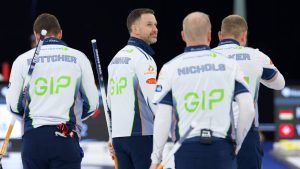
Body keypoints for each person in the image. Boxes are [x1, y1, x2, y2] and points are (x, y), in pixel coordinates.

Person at [149, 11, 255, 169]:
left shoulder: (170, 68)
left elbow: (162, 117)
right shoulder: (230, 65)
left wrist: (156, 158)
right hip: (222, 149)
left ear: (183, 35)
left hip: (186, 148)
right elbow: (248, 109)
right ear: (210, 35)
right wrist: (238, 144)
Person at [6, 13, 99, 169]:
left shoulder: (21, 60)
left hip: (33, 139)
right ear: (60, 33)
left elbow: (13, 105)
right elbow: (93, 104)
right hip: (65, 135)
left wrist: (28, 117)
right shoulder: (79, 58)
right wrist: (75, 118)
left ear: (36, 35)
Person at [213, 14, 285, 169]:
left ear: (219, 35)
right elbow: (279, 84)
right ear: (244, 35)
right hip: (247, 134)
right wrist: (257, 76)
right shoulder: (257, 56)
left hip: (211, 134)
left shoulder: (205, 57)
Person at [106, 8, 158, 169]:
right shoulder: (143, 59)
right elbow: (154, 101)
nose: (155, 29)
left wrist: (112, 136)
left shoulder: (115, 59)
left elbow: (109, 102)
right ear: (135, 29)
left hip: (119, 139)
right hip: (141, 136)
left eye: (155, 24)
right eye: (149, 25)